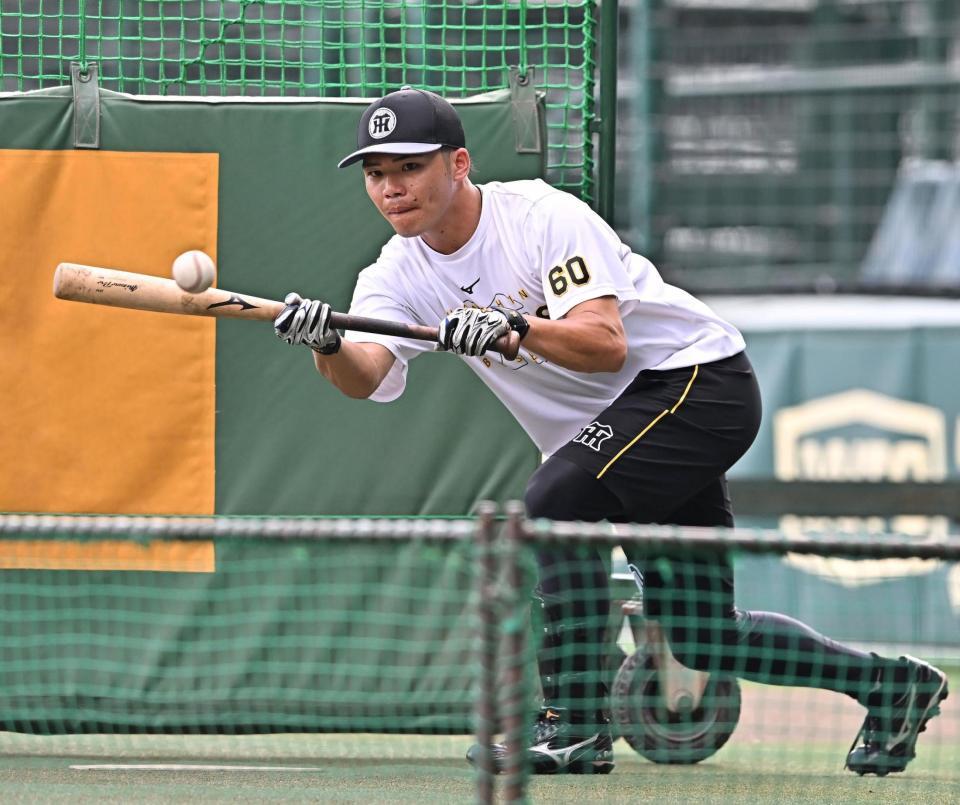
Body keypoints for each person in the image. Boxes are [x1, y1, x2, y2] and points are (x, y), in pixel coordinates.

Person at [273, 87, 948, 776]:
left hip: (695, 383)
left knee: (554, 502)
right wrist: (327, 342)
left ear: (459, 164)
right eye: (376, 174)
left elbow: (606, 343)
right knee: (703, 635)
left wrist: (515, 329)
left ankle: (573, 723)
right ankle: (892, 686)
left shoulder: (541, 218)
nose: (392, 189)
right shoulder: (395, 273)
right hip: (629, 424)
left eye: (409, 168)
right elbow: (367, 376)